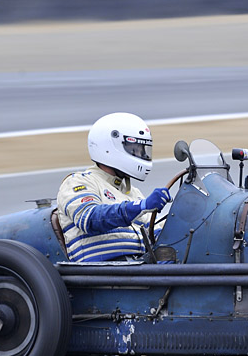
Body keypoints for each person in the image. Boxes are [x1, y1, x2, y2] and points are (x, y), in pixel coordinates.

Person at [56, 112, 172, 262]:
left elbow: (157, 232)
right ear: (108, 147)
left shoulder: (132, 193)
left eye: (143, 150)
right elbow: (91, 218)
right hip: (103, 272)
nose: (141, 154)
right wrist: (141, 206)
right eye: (135, 149)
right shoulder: (78, 181)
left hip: (138, 267)